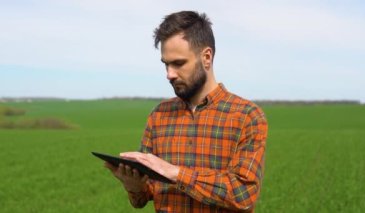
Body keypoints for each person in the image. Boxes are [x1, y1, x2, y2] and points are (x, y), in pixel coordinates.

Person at [105, 11, 268, 212]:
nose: (169, 74)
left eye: (178, 63)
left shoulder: (247, 116)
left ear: (206, 57)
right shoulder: (159, 115)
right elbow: (142, 198)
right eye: (166, 64)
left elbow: (243, 194)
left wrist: (176, 173)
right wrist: (134, 186)